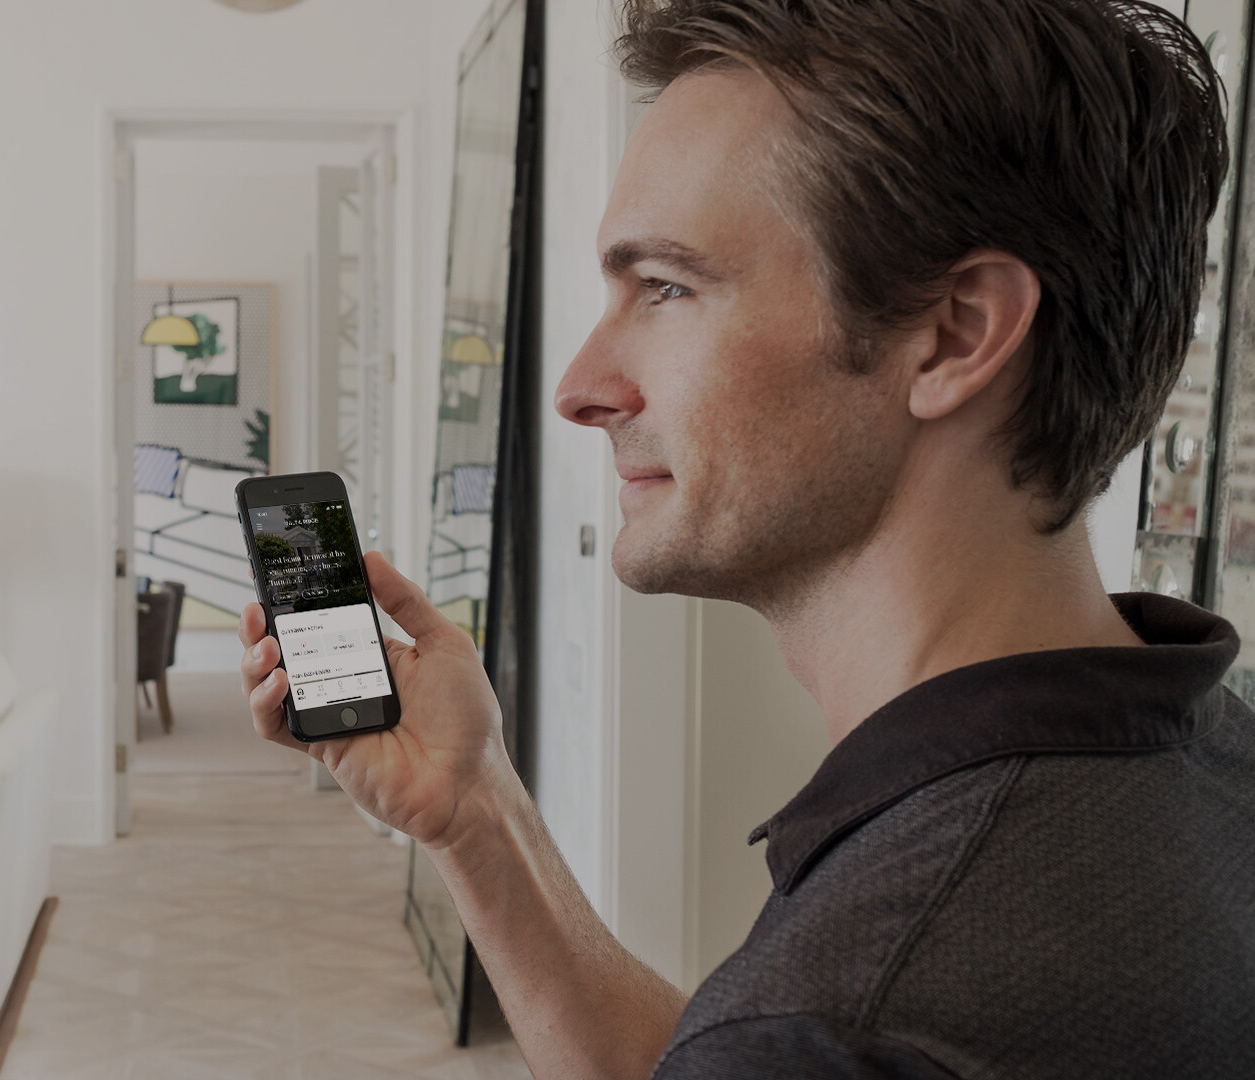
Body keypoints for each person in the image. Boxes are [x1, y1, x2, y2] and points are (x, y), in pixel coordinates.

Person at [241, 0, 1255, 1075]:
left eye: (668, 287)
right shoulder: (1205, 757)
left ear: (956, 334)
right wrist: (474, 808)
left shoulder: (854, 1008)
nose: (580, 389)